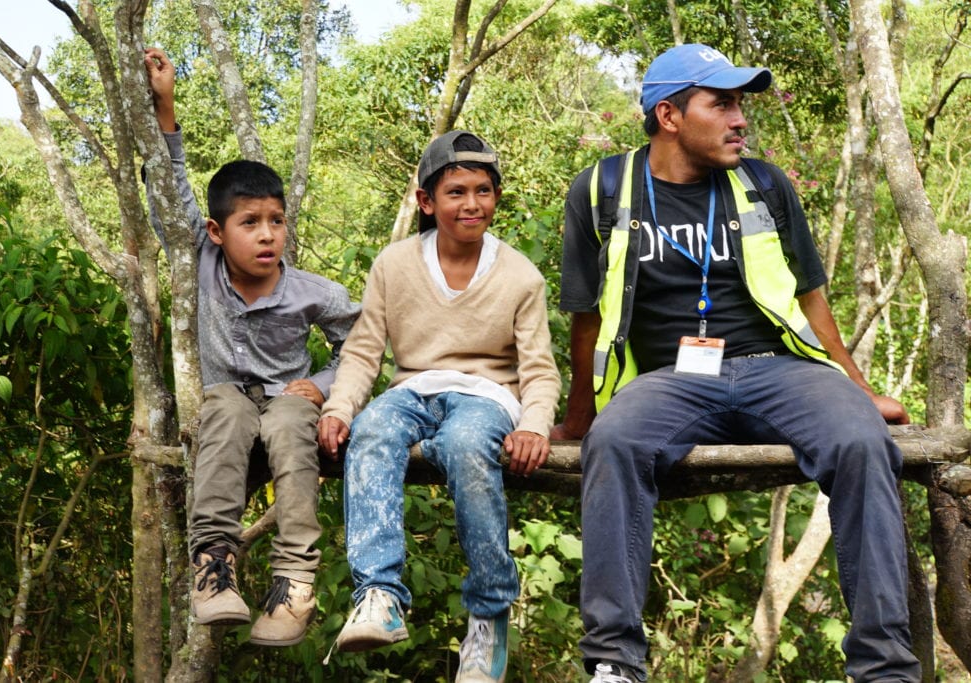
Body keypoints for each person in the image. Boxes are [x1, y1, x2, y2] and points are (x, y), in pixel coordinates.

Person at [553, 44, 921, 682]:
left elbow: (811, 297)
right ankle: (613, 664)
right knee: (613, 443)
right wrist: (579, 417)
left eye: (741, 103)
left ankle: (885, 668)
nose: (739, 118)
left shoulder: (765, 184)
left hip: (777, 368)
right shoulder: (602, 189)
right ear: (668, 116)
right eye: (720, 103)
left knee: (862, 441)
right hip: (670, 379)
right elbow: (586, 318)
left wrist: (859, 391)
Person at [317, 130, 560, 682]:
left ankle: (489, 611)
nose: (471, 204)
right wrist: (338, 409)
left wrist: (535, 425)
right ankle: (379, 594)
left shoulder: (521, 275)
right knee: (372, 430)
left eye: (483, 191)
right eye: (455, 192)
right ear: (428, 202)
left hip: (487, 395)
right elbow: (362, 352)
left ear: (496, 197)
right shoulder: (395, 264)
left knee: (467, 444)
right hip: (412, 389)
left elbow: (539, 371)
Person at [143, 48, 360, 647]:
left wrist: (323, 383)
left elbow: (362, 345)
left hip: (289, 397)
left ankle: (295, 581)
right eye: (249, 223)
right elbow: (167, 191)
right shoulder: (201, 257)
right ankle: (214, 567)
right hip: (227, 398)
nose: (267, 234)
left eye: (276, 221)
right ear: (217, 231)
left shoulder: (313, 292)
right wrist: (165, 105)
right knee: (228, 411)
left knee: (291, 423)